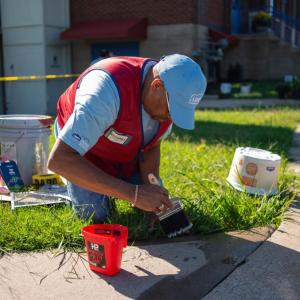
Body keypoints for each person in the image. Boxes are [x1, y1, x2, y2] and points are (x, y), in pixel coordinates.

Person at [48, 54, 207, 223]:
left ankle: (115, 180)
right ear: (157, 85)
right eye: (171, 110)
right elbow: (60, 160)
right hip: (84, 153)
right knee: (96, 215)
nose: (172, 117)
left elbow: (152, 145)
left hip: (124, 150)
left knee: (153, 199)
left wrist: (151, 191)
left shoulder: (163, 102)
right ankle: (70, 187)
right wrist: (135, 194)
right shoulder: (103, 92)